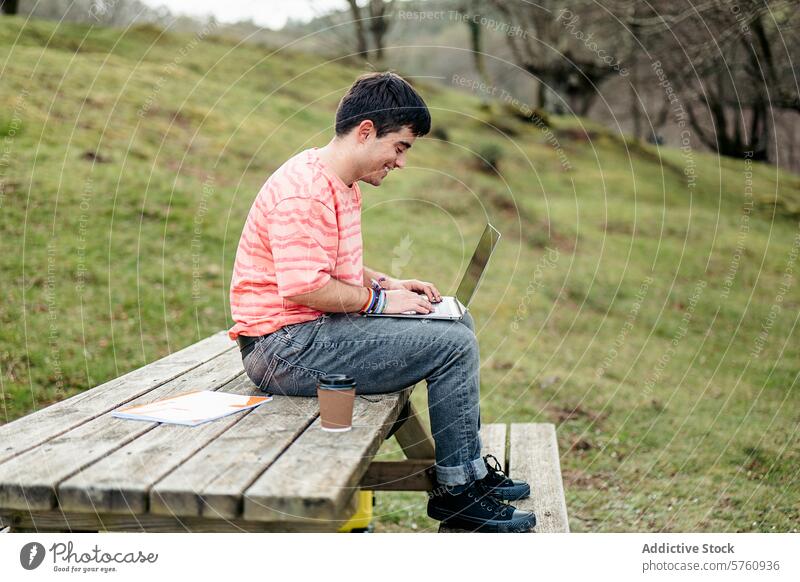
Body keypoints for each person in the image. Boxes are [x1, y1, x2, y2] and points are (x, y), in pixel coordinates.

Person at [228, 71, 535, 533]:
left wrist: (391, 283)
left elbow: (326, 264)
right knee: (451, 345)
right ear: (366, 131)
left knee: (457, 324)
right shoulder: (305, 191)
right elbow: (303, 287)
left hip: (309, 336)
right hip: (282, 349)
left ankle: (470, 474)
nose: (401, 162)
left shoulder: (339, 182)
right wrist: (378, 301)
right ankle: (456, 497)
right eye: (401, 146)